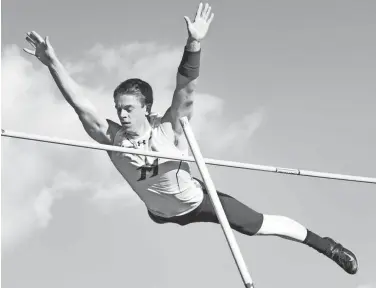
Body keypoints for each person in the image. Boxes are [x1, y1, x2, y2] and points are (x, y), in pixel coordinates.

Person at [23, 2, 357, 275]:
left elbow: (186, 88)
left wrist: (194, 43)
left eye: (128, 109)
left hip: (198, 202)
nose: (121, 115)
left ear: (146, 108)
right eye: (118, 109)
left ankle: (326, 245)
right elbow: (80, 103)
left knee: (258, 224)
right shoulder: (112, 139)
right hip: (159, 212)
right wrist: (52, 62)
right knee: (161, 208)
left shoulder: (170, 128)